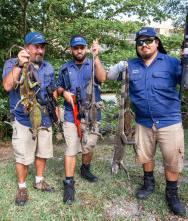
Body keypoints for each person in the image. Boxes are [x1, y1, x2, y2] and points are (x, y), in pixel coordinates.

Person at [107, 27, 188, 215]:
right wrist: (117, 67)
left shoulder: (172, 62)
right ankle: (148, 183)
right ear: (137, 47)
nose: (144, 45)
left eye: (148, 40)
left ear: (157, 42)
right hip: (143, 122)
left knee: (172, 159)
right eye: (140, 42)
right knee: (145, 156)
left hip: (169, 121)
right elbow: (109, 77)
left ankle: (172, 193)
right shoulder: (130, 65)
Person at [2, 32, 58, 206]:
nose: (40, 50)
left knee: (43, 152)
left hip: (44, 117)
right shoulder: (12, 63)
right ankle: (22, 187)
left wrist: (56, 112)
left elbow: (53, 90)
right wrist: (20, 64)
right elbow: (7, 86)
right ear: (26, 48)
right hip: (23, 118)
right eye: (36, 47)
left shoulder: (48, 67)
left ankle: (39, 180)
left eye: (42, 47)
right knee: (23, 156)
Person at [56, 35, 107, 204]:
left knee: (89, 144)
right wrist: (64, 93)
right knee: (71, 147)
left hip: (91, 113)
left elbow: (102, 78)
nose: (79, 51)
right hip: (72, 113)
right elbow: (59, 87)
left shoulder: (94, 63)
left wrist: (96, 56)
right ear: (71, 50)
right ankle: (69, 183)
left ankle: (85, 169)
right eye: (75, 48)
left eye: (81, 47)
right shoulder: (65, 68)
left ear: (86, 48)